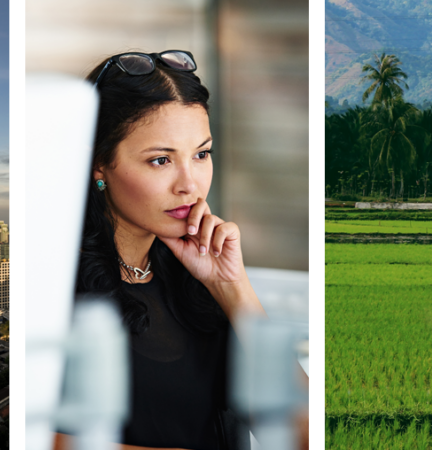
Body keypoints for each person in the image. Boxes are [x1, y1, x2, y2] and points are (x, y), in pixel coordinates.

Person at [54, 50, 308, 450]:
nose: (190, 185)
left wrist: (232, 286)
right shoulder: (52, 291)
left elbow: (303, 433)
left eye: (201, 155)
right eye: (160, 160)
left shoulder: (195, 278)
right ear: (99, 165)